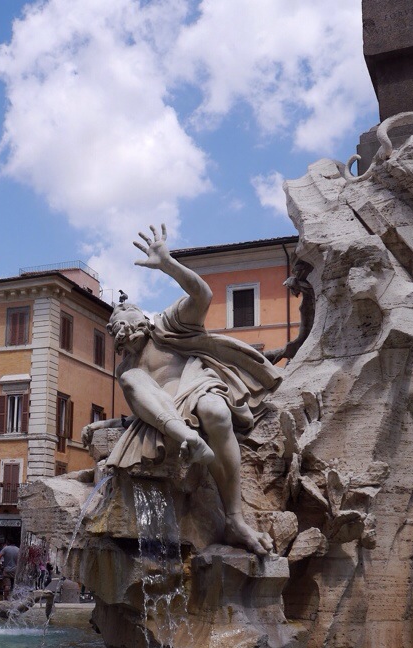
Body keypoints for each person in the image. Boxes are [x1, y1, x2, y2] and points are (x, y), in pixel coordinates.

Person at [82, 224, 283, 556]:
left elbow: (202, 294)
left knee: (216, 412)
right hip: (165, 415)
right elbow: (136, 408)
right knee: (131, 379)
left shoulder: (170, 324)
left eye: (125, 320)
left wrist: (168, 264)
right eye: (115, 329)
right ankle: (189, 438)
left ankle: (235, 519)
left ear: (142, 318)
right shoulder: (127, 369)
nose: (120, 329)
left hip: (197, 386)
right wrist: (103, 425)